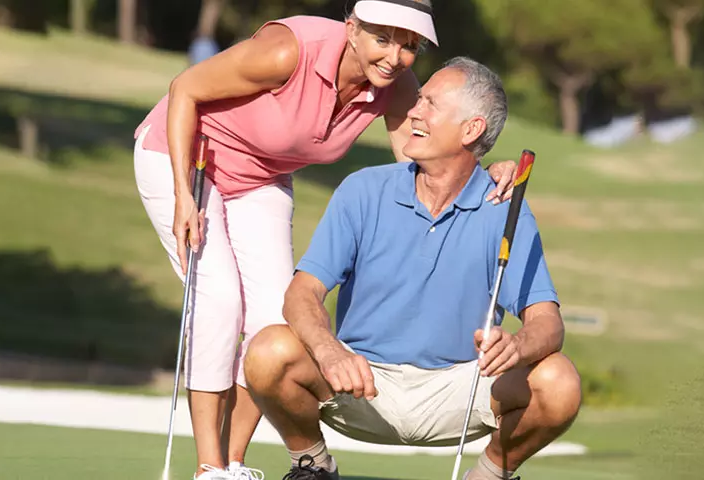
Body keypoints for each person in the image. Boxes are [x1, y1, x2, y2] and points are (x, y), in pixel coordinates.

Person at [133, 0, 519, 477]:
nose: (394, 57)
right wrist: (181, 196)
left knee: (274, 317)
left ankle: (232, 463)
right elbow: (184, 89)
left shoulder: (397, 87)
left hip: (262, 176)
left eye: (409, 46)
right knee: (219, 299)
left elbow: (427, 165)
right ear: (351, 28)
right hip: (187, 156)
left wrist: (488, 171)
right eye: (382, 38)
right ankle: (208, 467)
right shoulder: (287, 51)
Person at [243, 57, 583, 480]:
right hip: (360, 382)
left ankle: (490, 474)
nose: (413, 112)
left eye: (431, 104)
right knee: (267, 351)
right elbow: (302, 293)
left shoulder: (505, 209)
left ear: (471, 130)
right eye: (418, 99)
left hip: (463, 388)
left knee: (559, 382)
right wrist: (329, 349)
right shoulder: (364, 189)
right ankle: (312, 465)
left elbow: (548, 323)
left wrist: (517, 347)